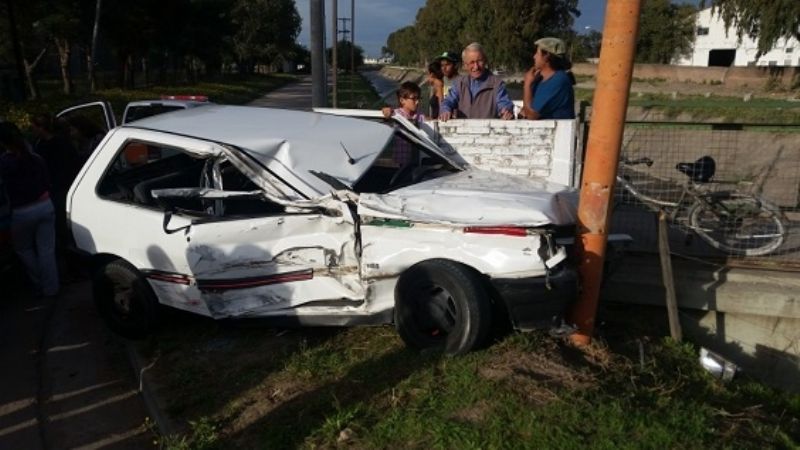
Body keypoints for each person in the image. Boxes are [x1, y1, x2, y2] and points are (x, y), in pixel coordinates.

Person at [0, 122, 59, 297]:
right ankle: (52, 288)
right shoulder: (35, 157)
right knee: (46, 250)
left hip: (21, 212)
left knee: (23, 250)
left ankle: (39, 282)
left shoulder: (4, 163)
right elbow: (47, 181)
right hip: (45, 205)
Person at [30, 113, 81, 247]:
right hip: (58, 187)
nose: (33, 131)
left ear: (42, 128)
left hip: (61, 187)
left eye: (34, 127)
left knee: (63, 222)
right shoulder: (41, 144)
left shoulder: (56, 143)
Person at [438, 42, 514, 121]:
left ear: (485, 61)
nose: (476, 66)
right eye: (472, 62)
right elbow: (448, 101)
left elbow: (504, 102)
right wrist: (445, 110)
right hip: (463, 131)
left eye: (479, 61)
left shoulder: (497, 84)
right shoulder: (459, 84)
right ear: (465, 65)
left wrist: (506, 110)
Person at [518, 37, 576, 120]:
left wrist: (527, 84)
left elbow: (531, 115)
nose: (534, 57)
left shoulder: (558, 81)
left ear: (546, 56)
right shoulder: (540, 80)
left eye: (537, 53)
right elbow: (525, 110)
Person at [382, 81, 425, 165]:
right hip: (399, 162)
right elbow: (386, 118)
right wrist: (385, 112)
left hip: (415, 161)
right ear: (402, 100)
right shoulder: (396, 114)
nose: (417, 102)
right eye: (413, 99)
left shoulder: (420, 116)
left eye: (418, 98)